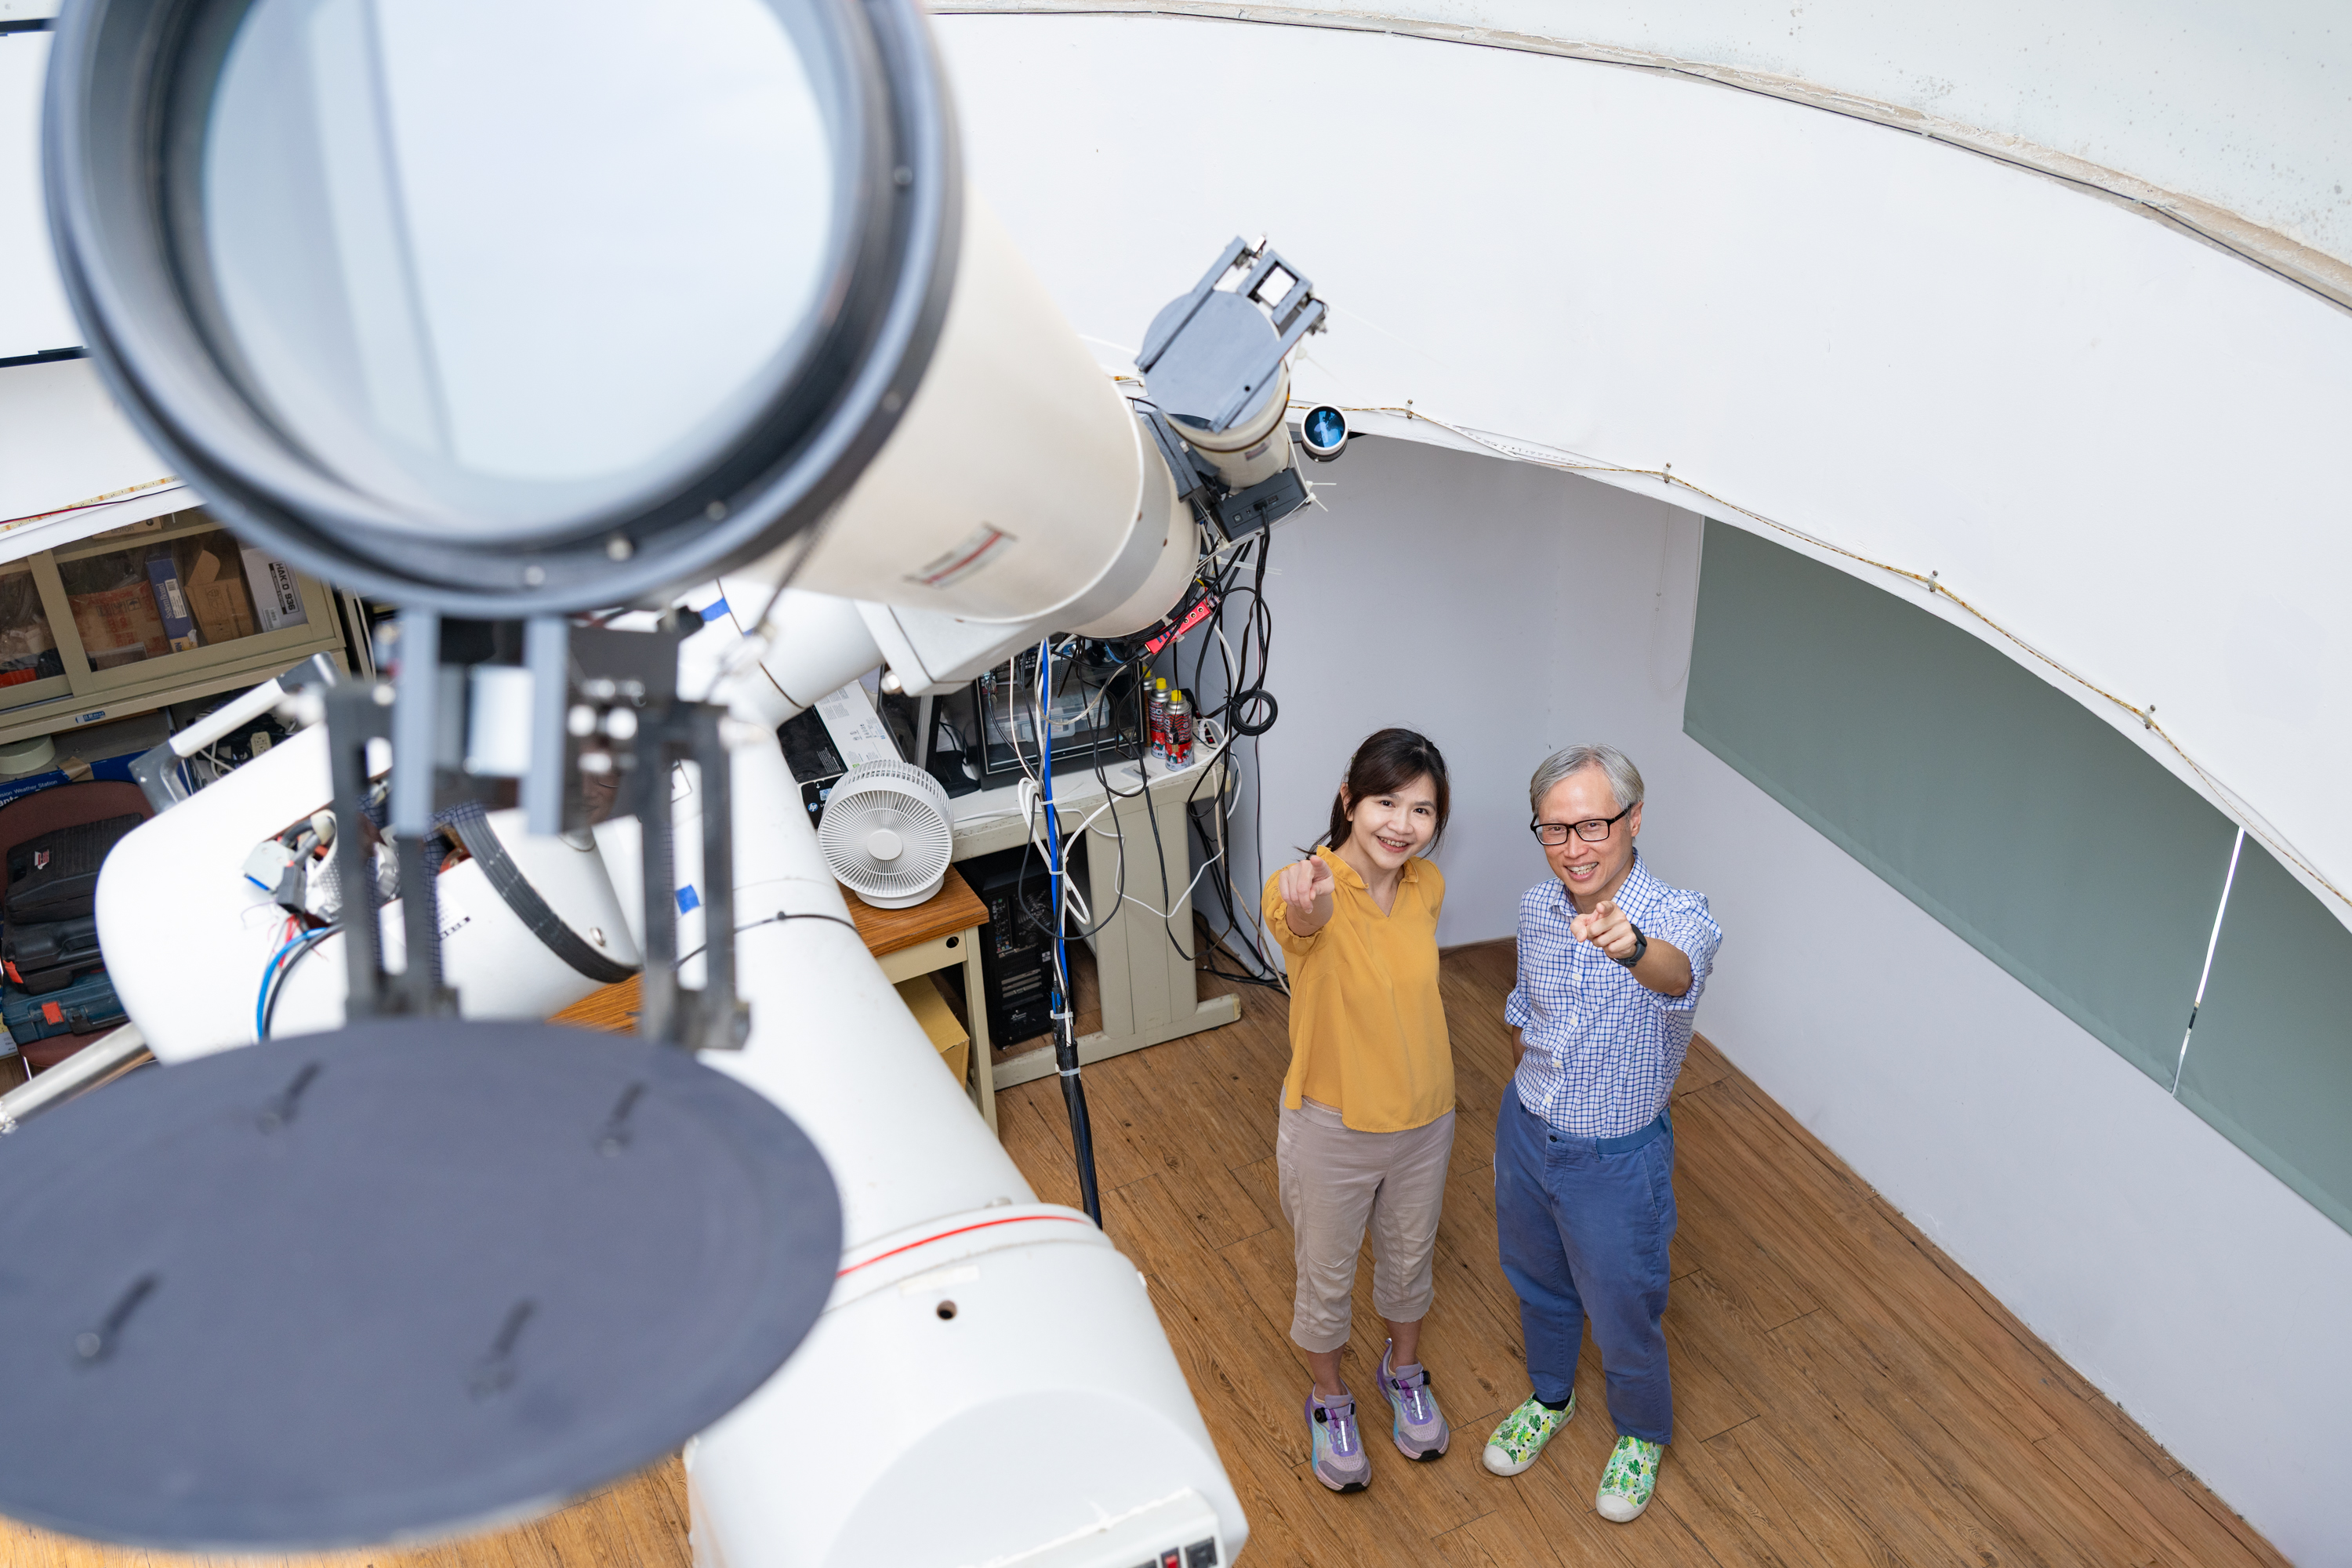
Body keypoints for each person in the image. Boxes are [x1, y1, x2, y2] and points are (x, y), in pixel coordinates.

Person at [1480, 744, 1722, 1524]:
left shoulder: (1679, 915)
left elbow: (1678, 973)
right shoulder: (1536, 906)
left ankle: (1643, 1433)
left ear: (1634, 818)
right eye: (1554, 830)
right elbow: (1525, 1011)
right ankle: (1550, 1397)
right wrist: (1538, 1093)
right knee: (1536, 1278)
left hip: (1617, 1161)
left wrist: (1633, 946)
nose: (1574, 846)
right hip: (1527, 1129)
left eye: (1592, 824)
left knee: (1623, 1304)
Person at [1263, 728, 1457, 1494]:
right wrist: (1306, 907)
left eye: (1422, 808)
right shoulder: (1303, 885)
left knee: (1411, 1259)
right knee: (1327, 1272)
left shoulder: (1428, 886)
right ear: (1350, 797)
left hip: (1426, 1116)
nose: (1401, 823)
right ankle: (1330, 1397)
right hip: (1332, 1124)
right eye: (1386, 800)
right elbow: (1298, 928)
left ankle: (1403, 1370)